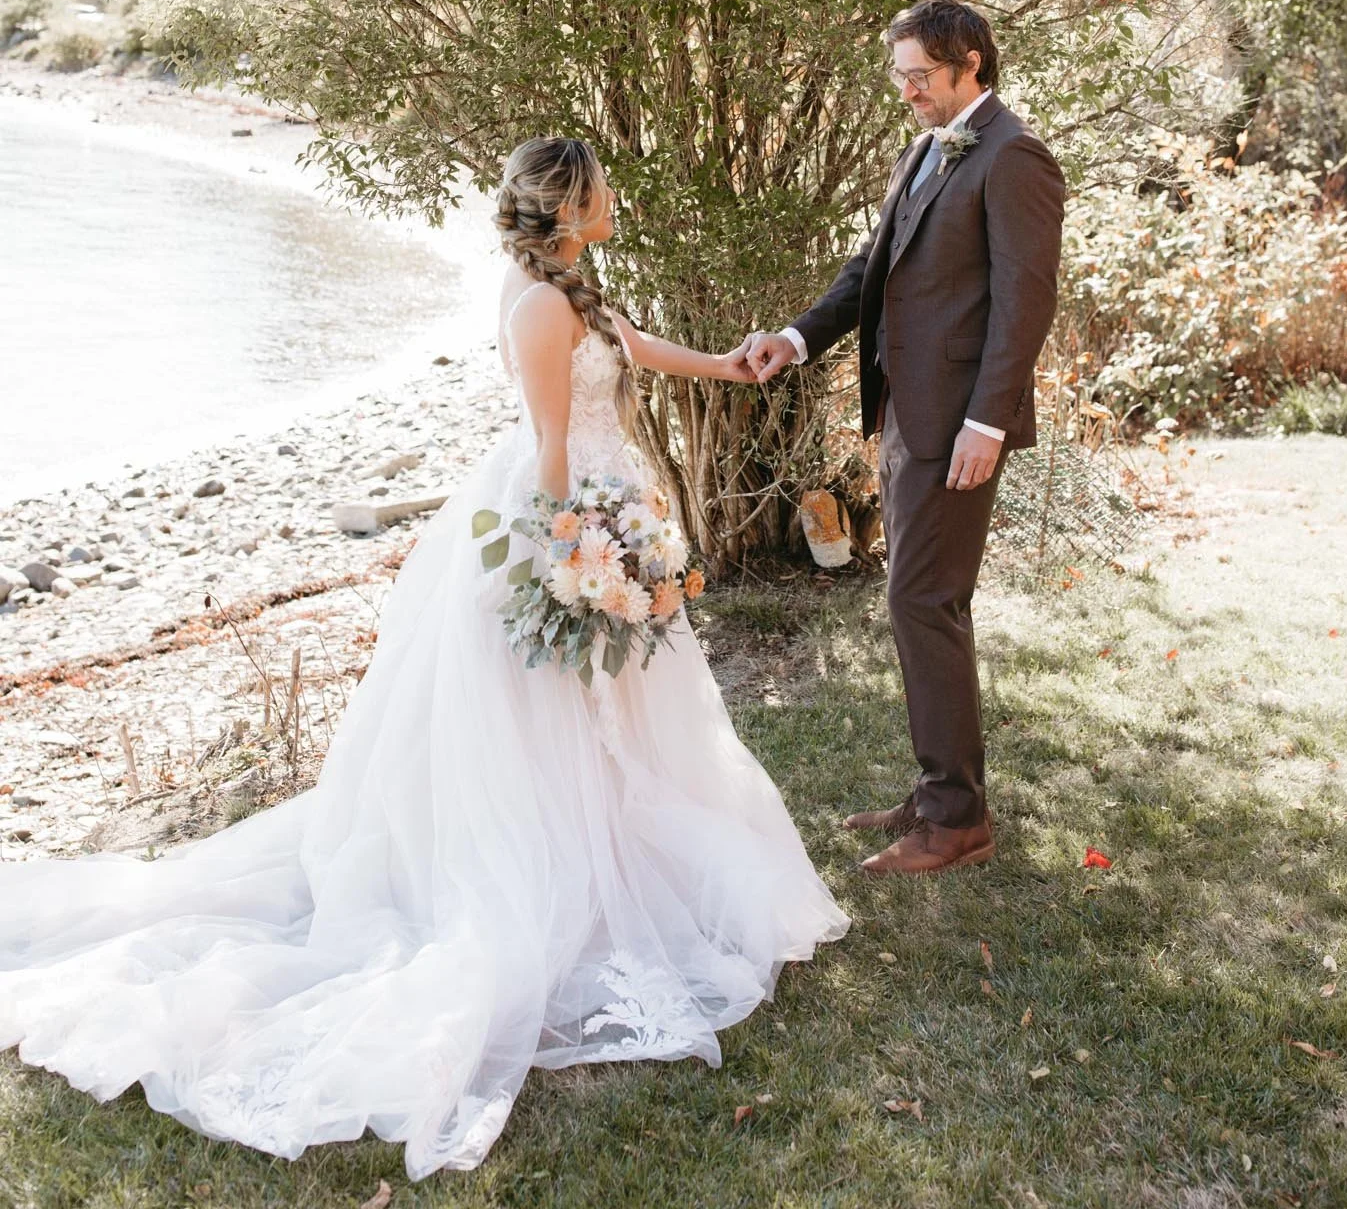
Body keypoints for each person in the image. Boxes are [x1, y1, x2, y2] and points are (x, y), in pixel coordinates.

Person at [0, 136, 847, 1178]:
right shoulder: (538, 306)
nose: (617, 194)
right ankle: (562, 873)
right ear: (572, 206)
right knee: (550, 717)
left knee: (625, 712)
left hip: (606, 499)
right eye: (603, 188)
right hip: (564, 512)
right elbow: (548, 436)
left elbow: (632, 347)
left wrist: (730, 364)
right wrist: (568, 553)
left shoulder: (572, 286)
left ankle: (620, 848)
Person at [744, 0, 1066, 877]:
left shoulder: (1014, 156)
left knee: (923, 603)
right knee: (921, 603)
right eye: (901, 78)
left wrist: (986, 423)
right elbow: (871, 271)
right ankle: (937, 793)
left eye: (919, 77)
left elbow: (1023, 303)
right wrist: (798, 338)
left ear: (969, 64)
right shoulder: (926, 148)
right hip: (906, 416)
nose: (908, 93)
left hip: (957, 424)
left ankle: (956, 818)